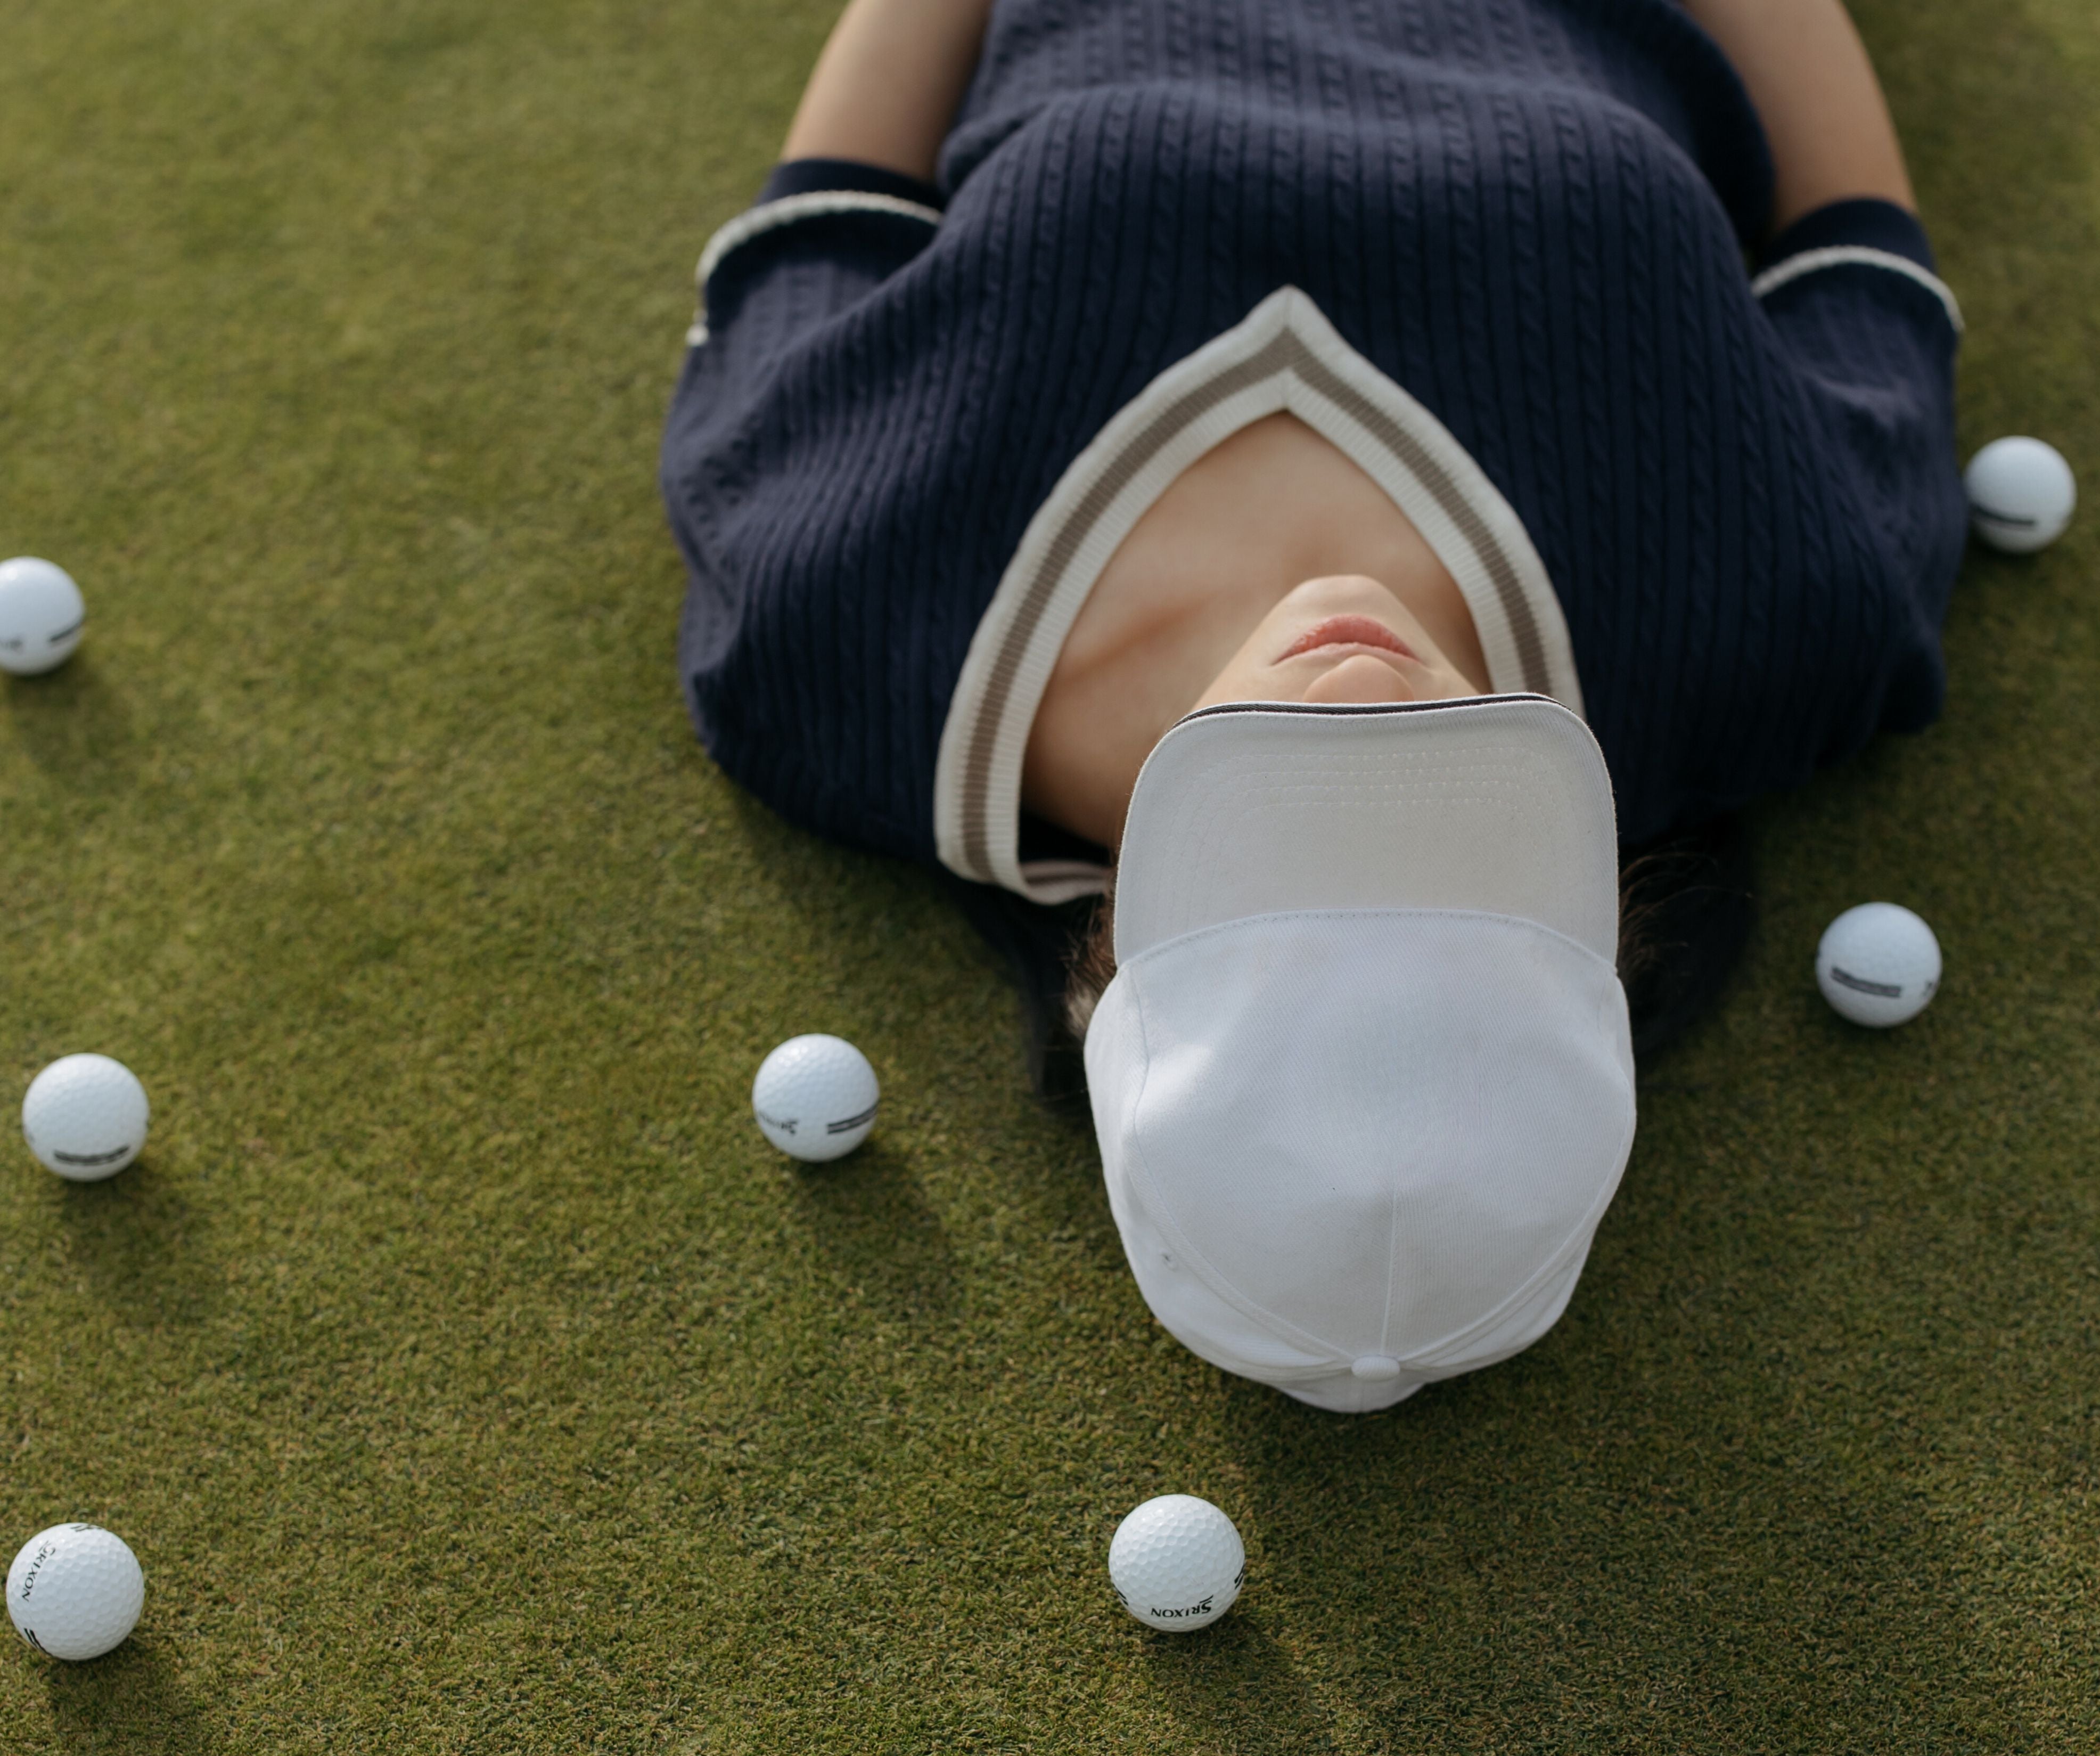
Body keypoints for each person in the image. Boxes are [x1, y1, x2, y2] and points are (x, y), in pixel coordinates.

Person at [661, 0, 1965, 1410]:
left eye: (1294, 833)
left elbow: (831, 205)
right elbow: (1855, 236)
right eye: (1454, 835)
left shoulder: (824, 619)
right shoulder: (1789, 609)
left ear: (1109, 959)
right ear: (1609, 929)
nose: (1362, 701)